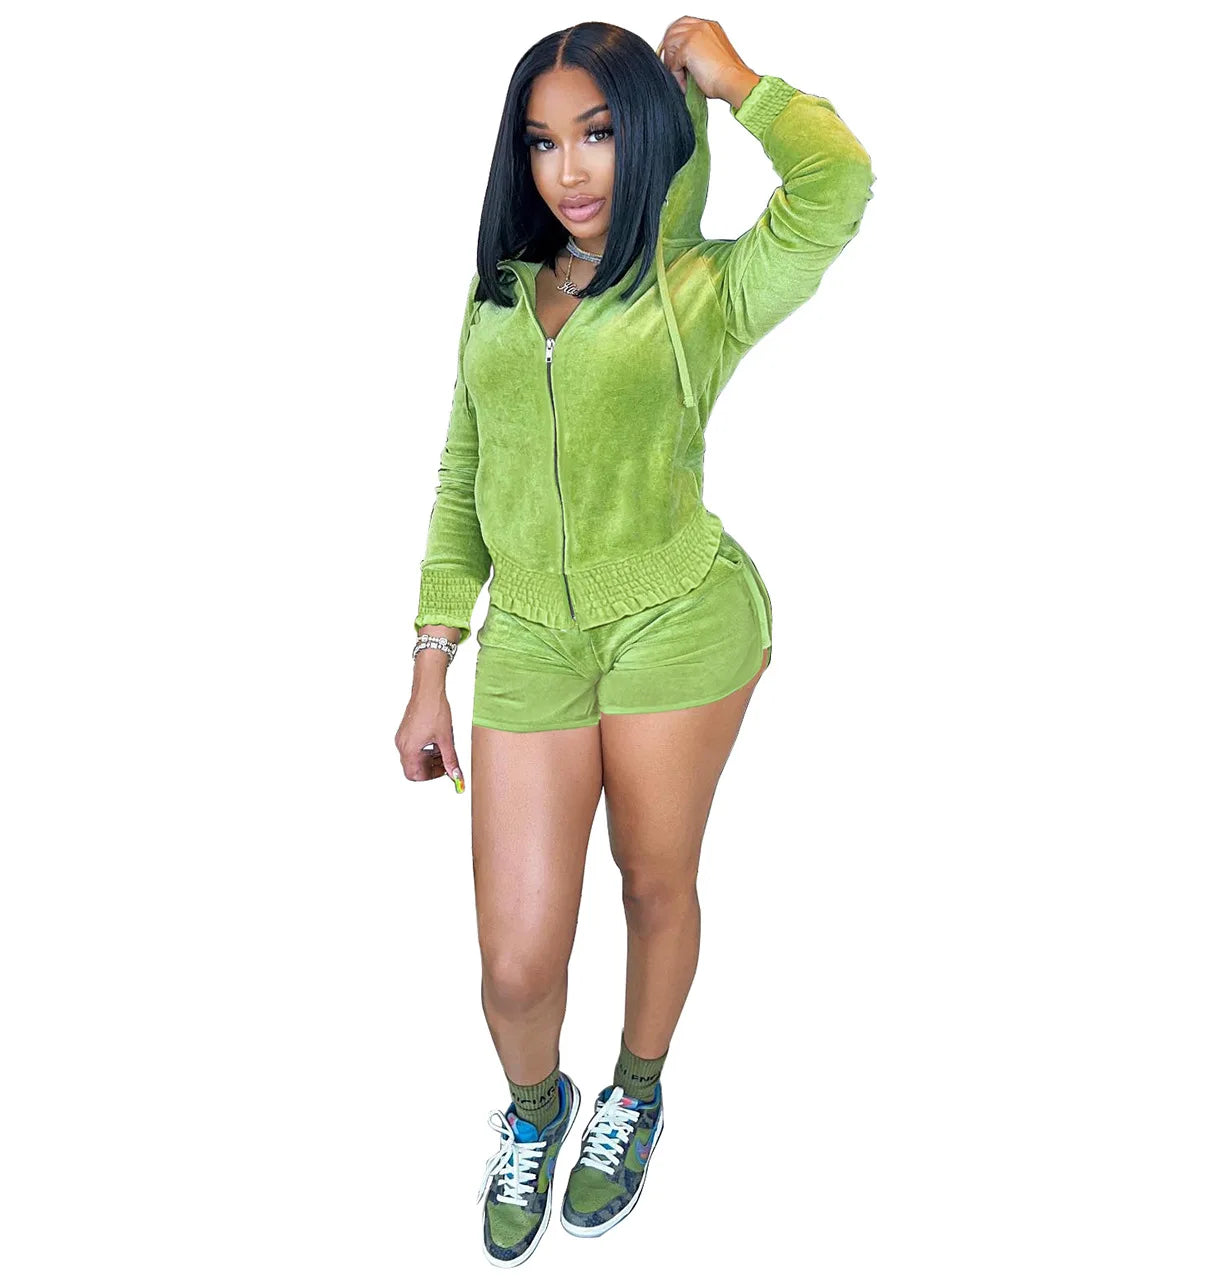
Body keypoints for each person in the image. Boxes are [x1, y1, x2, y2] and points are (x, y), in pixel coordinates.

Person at [395, 17, 874, 1266]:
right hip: (531, 640)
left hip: (675, 619)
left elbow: (836, 184)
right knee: (514, 966)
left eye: (598, 133)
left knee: (653, 882)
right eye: (543, 140)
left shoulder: (697, 289)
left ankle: (637, 1089)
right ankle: (534, 1107)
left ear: (647, 133)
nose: (570, 169)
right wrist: (432, 657)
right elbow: (461, 477)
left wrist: (735, 78)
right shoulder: (500, 294)